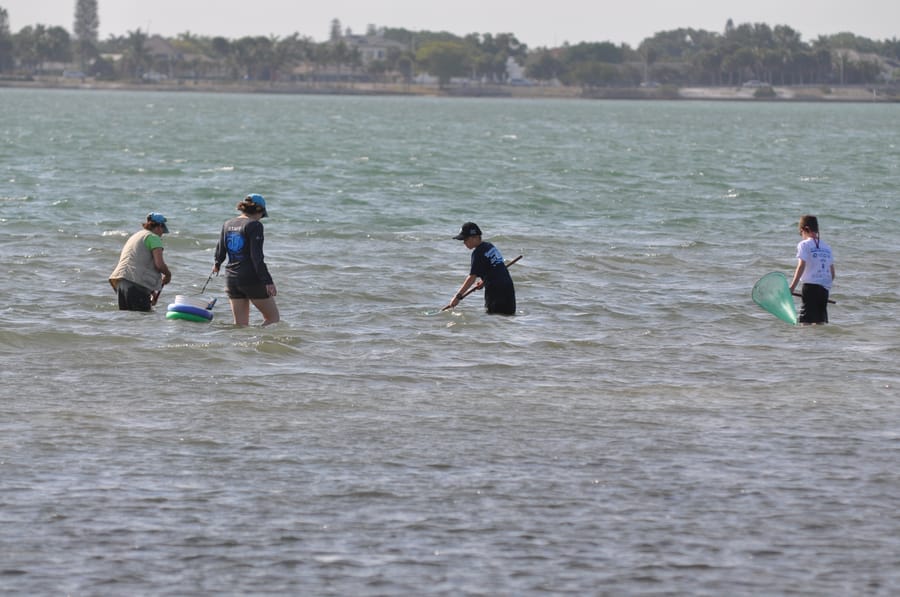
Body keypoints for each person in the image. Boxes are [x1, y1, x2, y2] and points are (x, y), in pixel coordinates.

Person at [213, 193, 280, 326]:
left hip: (231, 279)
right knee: (273, 319)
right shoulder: (255, 226)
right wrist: (268, 281)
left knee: (240, 325)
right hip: (250, 278)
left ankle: (240, 346)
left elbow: (220, 250)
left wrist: (217, 264)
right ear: (259, 210)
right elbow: (257, 257)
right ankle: (257, 343)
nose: (261, 219)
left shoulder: (227, 224)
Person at [445, 222, 516, 315]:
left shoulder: (478, 253)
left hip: (495, 292)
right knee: (507, 319)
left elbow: (471, 278)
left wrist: (457, 297)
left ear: (475, 237)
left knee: (494, 320)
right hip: (508, 288)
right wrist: (484, 281)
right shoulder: (489, 246)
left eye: (465, 239)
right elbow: (496, 268)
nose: (464, 243)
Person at [109, 212, 172, 311]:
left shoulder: (136, 236)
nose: (161, 234)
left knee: (127, 320)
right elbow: (159, 265)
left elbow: (137, 263)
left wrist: (151, 292)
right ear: (159, 226)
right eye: (162, 231)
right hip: (135, 285)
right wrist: (168, 275)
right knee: (142, 320)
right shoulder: (153, 238)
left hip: (122, 282)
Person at [788, 214, 835, 325]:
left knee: (806, 323)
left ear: (805, 229)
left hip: (810, 288)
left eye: (801, 233)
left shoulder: (804, 245)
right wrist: (823, 285)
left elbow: (801, 266)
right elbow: (832, 273)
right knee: (820, 323)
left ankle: (805, 342)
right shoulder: (827, 247)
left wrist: (792, 288)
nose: (801, 235)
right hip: (824, 290)